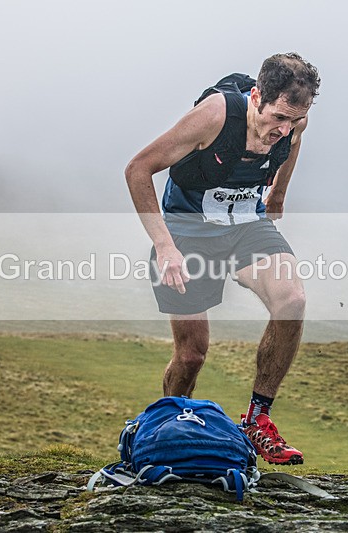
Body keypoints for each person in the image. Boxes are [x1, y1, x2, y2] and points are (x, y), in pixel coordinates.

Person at [125, 53, 320, 465]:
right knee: (192, 354)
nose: (283, 130)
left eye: (294, 119)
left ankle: (257, 418)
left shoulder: (294, 120)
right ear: (255, 97)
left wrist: (279, 194)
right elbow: (138, 169)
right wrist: (164, 246)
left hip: (245, 225)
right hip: (187, 231)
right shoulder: (214, 116)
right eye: (278, 118)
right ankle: (165, 428)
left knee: (292, 300)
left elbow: (295, 142)